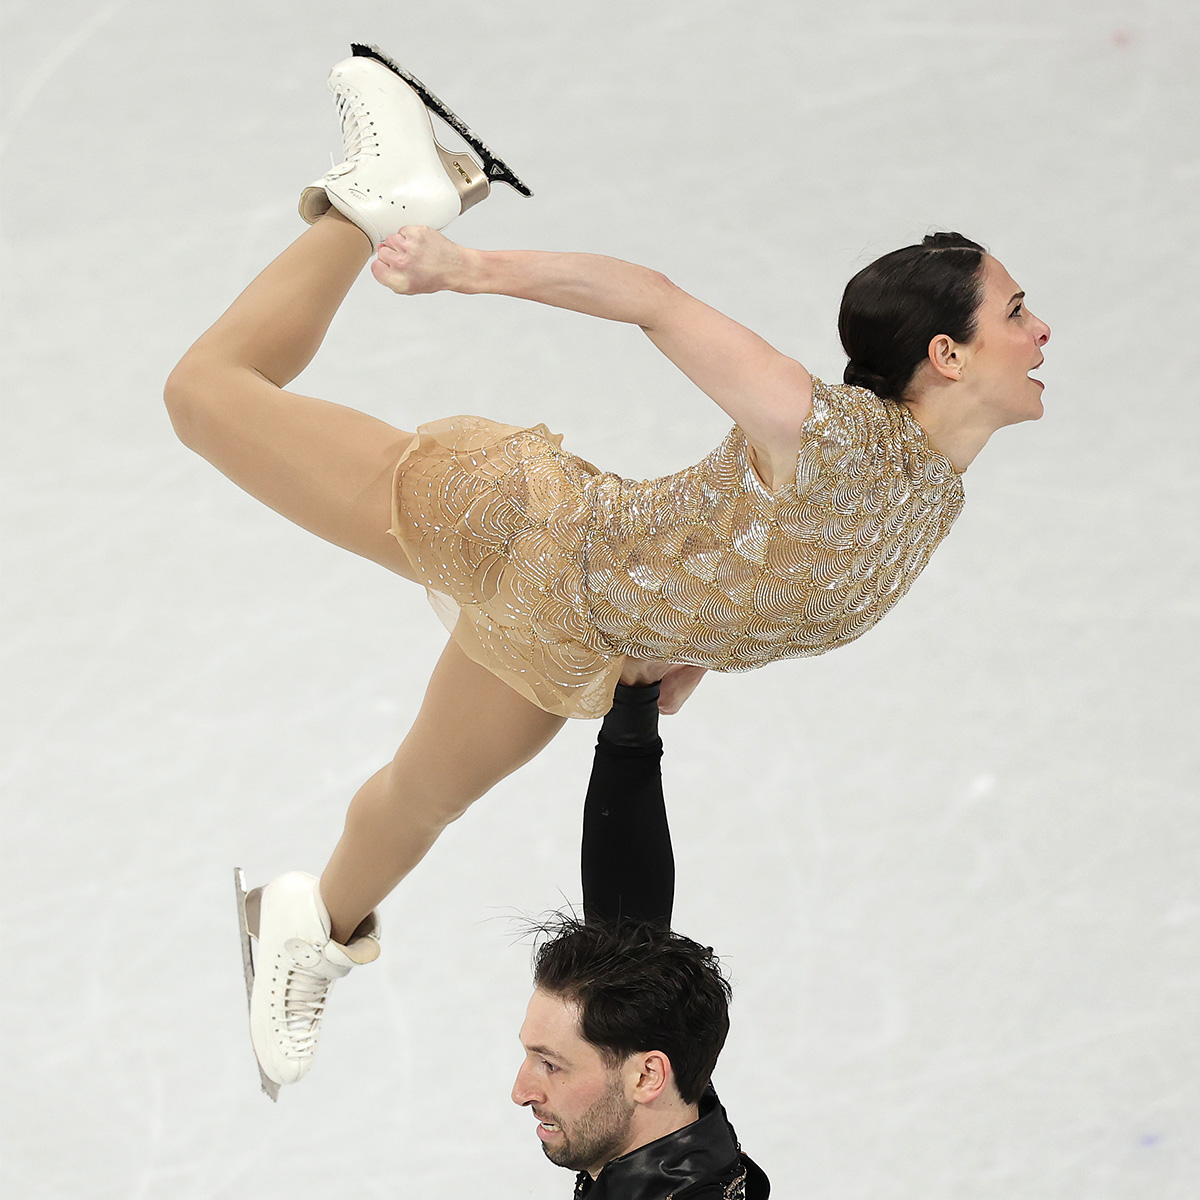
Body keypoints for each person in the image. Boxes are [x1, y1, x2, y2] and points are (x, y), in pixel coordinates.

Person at [165, 45, 1051, 1093]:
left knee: (421, 798)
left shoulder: (928, 489)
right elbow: (655, 299)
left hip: (575, 640)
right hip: (517, 532)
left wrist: (694, 641)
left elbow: (768, 564)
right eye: (1016, 312)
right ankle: (373, 201)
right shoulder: (828, 435)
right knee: (205, 394)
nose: (1041, 331)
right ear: (946, 355)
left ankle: (303, 927)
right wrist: (465, 269)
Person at [512, 680, 769, 1197]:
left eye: (551, 1065)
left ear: (648, 1078)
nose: (521, 1091)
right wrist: (633, 700)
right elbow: (630, 919)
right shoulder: (677, 1111)